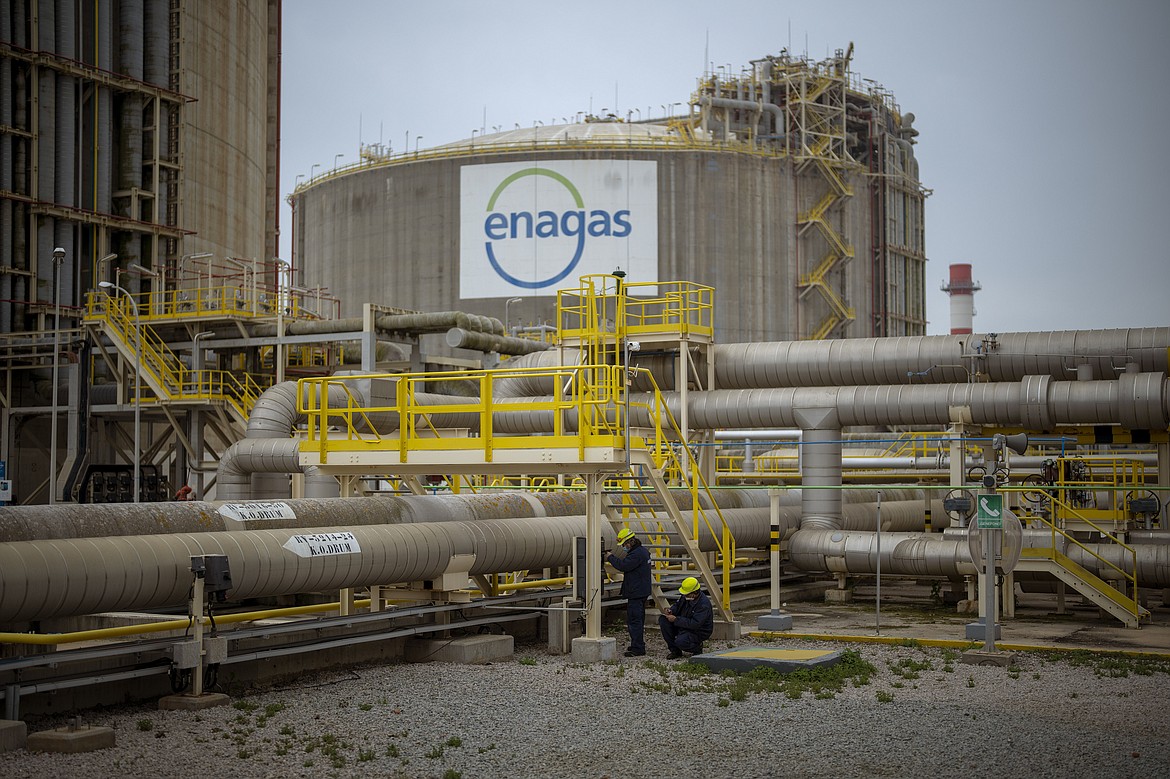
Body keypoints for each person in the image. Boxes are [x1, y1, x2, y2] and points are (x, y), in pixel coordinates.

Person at [605, 527, 651, 657]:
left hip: (636, 593)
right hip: (641, 591)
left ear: (630, 542)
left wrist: (610, 557)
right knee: (638, 620)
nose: (624, 547)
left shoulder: (636, 554)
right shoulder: (643, 551)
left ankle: (638, 648)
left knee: (634, 621)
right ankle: (637, 644)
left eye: (624, 544)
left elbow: (623, 565)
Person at [659, 576, 713, 659]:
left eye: (686, 594)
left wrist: (676, 620)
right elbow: (677, 605)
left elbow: (695, 624)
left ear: (694, 593)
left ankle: (697, 648)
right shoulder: (686, 597)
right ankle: (675, 651)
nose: (684, 595)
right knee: (663, 620)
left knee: (681, 641)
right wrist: (671, 611)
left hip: (698, 631)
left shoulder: (703, 604)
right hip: (683, 624)